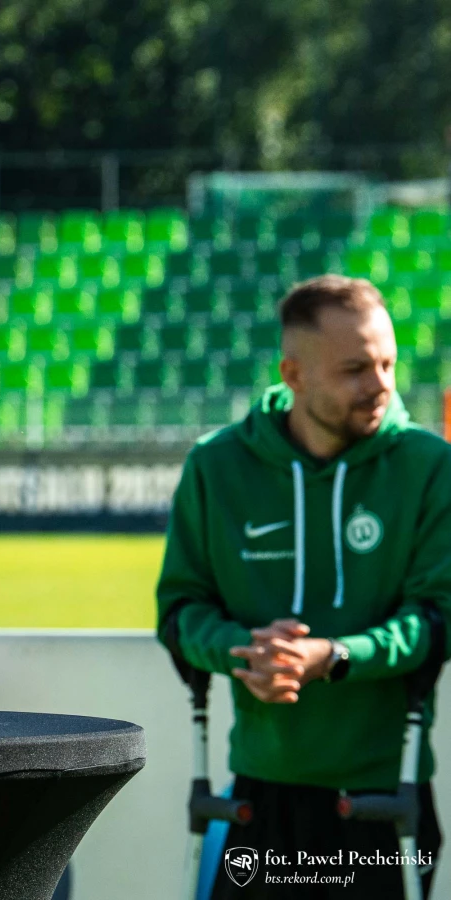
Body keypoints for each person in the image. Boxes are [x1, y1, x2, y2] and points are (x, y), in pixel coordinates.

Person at [157, 275, 451, 898]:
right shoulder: (215, 465)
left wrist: (335, 657)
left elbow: (437, 619)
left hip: (385, 797)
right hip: (258, 796)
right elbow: (180, 612)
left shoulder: (431, 467)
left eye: (388, 363)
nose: (381, 384)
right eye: (355, 369)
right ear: (293, 375)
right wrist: (247, 652)